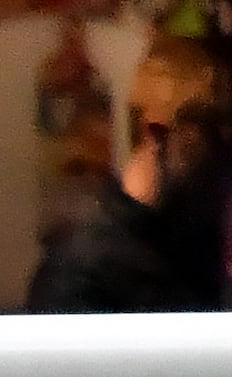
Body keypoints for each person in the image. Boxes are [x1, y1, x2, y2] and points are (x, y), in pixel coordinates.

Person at [29, 34, 231, 313]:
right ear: (157, 131)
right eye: (215, 138)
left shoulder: (188, 244)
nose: (222, 163)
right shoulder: (86, 269)